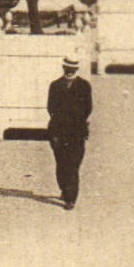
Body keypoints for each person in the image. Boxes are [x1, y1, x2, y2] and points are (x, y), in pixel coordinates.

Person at [46, 54, 92, 210]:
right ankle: (64, 189)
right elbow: (50, 107)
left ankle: (71, 198)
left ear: (76, 69)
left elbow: (88, 108)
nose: (70, 71)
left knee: (73, 164)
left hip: (77, 131)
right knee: (61, 164)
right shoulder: (55, 86)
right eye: (67, 68)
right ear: (63, 68)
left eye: (72, 69)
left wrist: (76, 120)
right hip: (58, 131)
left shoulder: (84, 86)